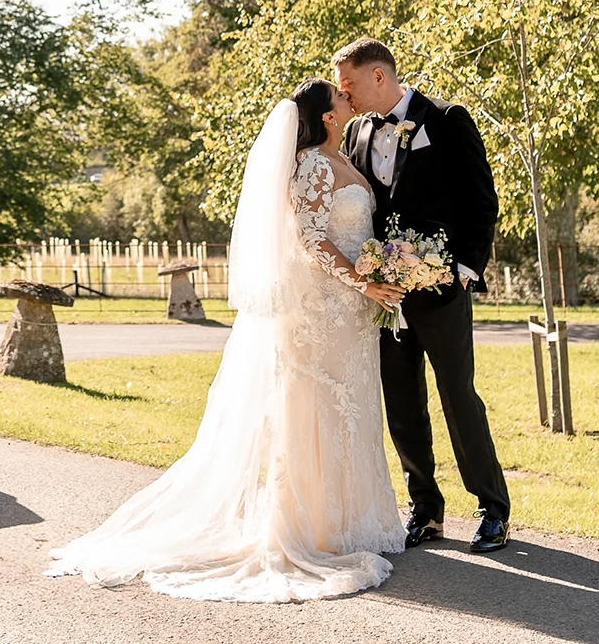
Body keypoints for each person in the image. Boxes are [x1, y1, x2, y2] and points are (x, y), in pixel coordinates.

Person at [46, 78, 407, 603]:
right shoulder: (310, 164)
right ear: (327, 115)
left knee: (351, 405)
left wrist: (379, 272)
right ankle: (309, 529)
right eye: (340, 96)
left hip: (353, 312)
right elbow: (309, 239)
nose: (348, 98)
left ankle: (355, 522)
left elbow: (351, 229)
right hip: (321, 308)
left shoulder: (347, 157)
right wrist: (363, 279)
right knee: (317, 408)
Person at [332, 37, 510, 553]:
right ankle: (426, 509)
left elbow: (482, 200)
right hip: (384, 295)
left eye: (350, 85)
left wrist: (463, 269)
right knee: (402, 400)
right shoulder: (358, 133)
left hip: (440, 288)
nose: (347, 96)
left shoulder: (449, 119)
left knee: (459, 397)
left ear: (379, 76)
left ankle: (492, 509)